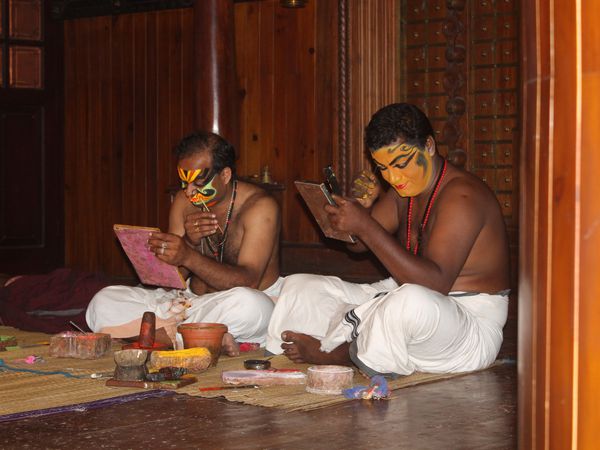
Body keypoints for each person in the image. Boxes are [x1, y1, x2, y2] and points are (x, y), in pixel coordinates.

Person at [266, 103, 510, 377]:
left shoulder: (462, 197)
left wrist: (366, 224)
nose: (393, 177)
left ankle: (341, 354)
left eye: (401, 163)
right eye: (383, 167)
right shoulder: (402, 191)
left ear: (429, 146)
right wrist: (343, 218)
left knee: (409, 302)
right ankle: (351, 342)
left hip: (465, 327)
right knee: (303, 285)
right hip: (407, 298)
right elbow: (358, 245)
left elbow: (434, 284)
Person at [86, 131, 282, 355]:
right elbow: (171, 282)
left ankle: (168, 336)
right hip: (188, 303)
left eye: (199, 183)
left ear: (225, 175)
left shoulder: (259, 207)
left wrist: (189, 255)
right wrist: (187, 242)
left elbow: (248, 281)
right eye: (184, 182)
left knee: (253, 307)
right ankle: (197, 338)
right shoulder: (183, 201)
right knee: (102, 301)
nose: (189, 191)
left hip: (233, 302)